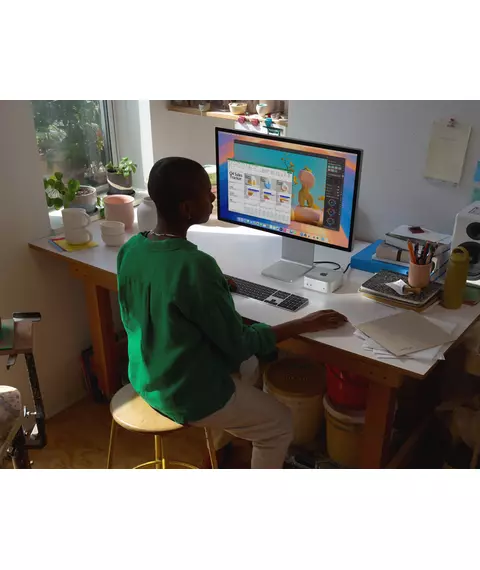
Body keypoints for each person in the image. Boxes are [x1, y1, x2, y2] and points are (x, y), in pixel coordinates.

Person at [117, 157, 347, 469]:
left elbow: (160, 292)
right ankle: (233, 434)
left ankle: (219, 444)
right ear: (186, 208)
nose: (213, 196)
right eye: (206, 192)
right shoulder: (195, 267)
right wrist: (302, 324)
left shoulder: (132, 248)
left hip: (146, 376)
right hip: (183, 394)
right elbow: (239, 344)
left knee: (250, 368)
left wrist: (213, 285)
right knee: (279, 423)